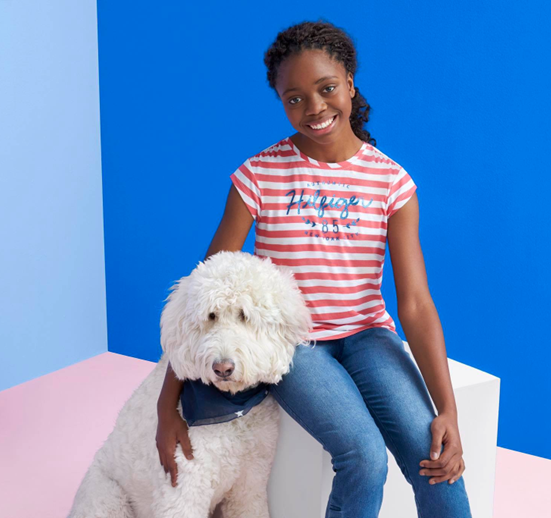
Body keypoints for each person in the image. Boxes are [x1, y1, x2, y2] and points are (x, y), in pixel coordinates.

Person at [155, 19, 472, 518]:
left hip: (368, 336)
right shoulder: (257, 175)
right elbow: (204, 292)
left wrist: (447, 409)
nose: (315, 108)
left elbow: (414, 302)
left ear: (350, 82)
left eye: (326, 89)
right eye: (294, 98)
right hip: (294, 343)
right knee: (364, 457)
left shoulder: (392, 182)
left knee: (434, 452)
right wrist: (166, 403)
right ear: (281, 101)